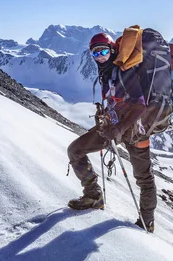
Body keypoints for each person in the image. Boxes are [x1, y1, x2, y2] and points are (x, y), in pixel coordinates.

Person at [67, 32, 156, 232]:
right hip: (113, 128)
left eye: (104, 52)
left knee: (144, 179)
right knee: (75, 150)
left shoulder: (125, 71)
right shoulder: (106, 74)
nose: (100, 57)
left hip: (135, 131)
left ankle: (146, 223)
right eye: (95, 53)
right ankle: (93, 196)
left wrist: (118, 128)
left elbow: (140, 106)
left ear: (113, 50)